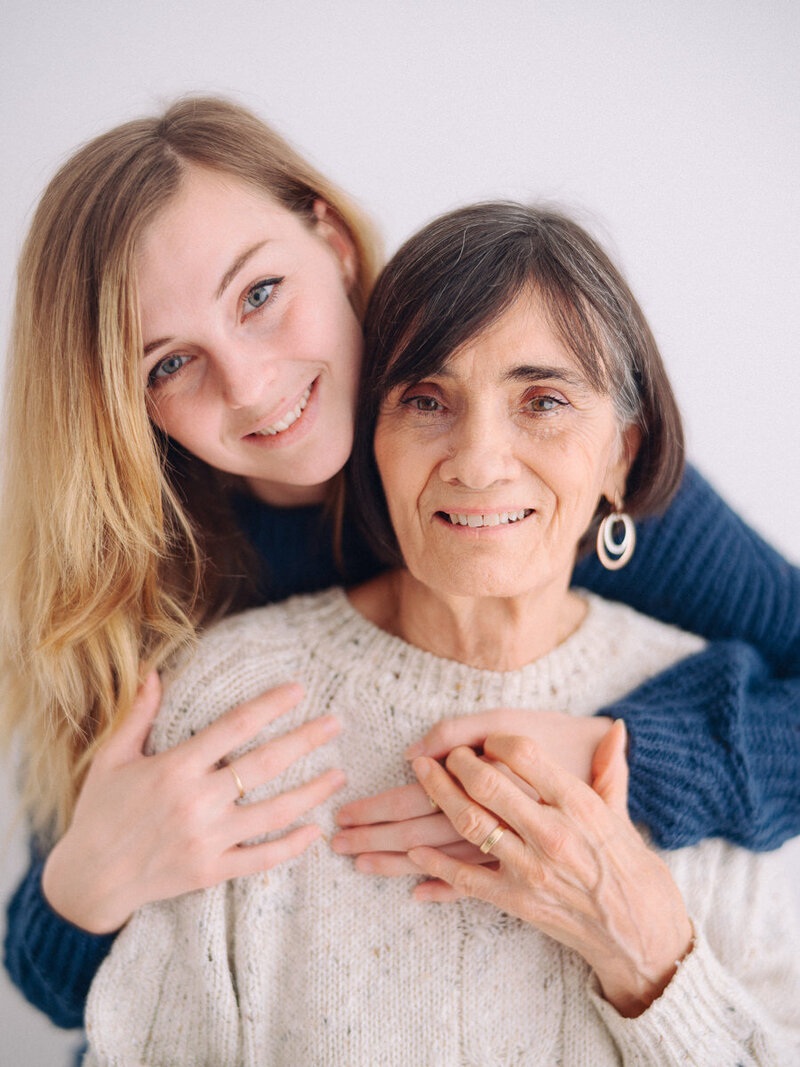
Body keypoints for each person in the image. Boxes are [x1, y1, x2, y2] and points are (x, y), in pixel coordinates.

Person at [1, 98, 798, 1037]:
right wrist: (85, 882)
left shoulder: (537, 453)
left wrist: (613, 756)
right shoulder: (146, 576)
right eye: (169, 364)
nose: (251, 385)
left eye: (258, 295)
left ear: (330, 240)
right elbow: (66, 991)